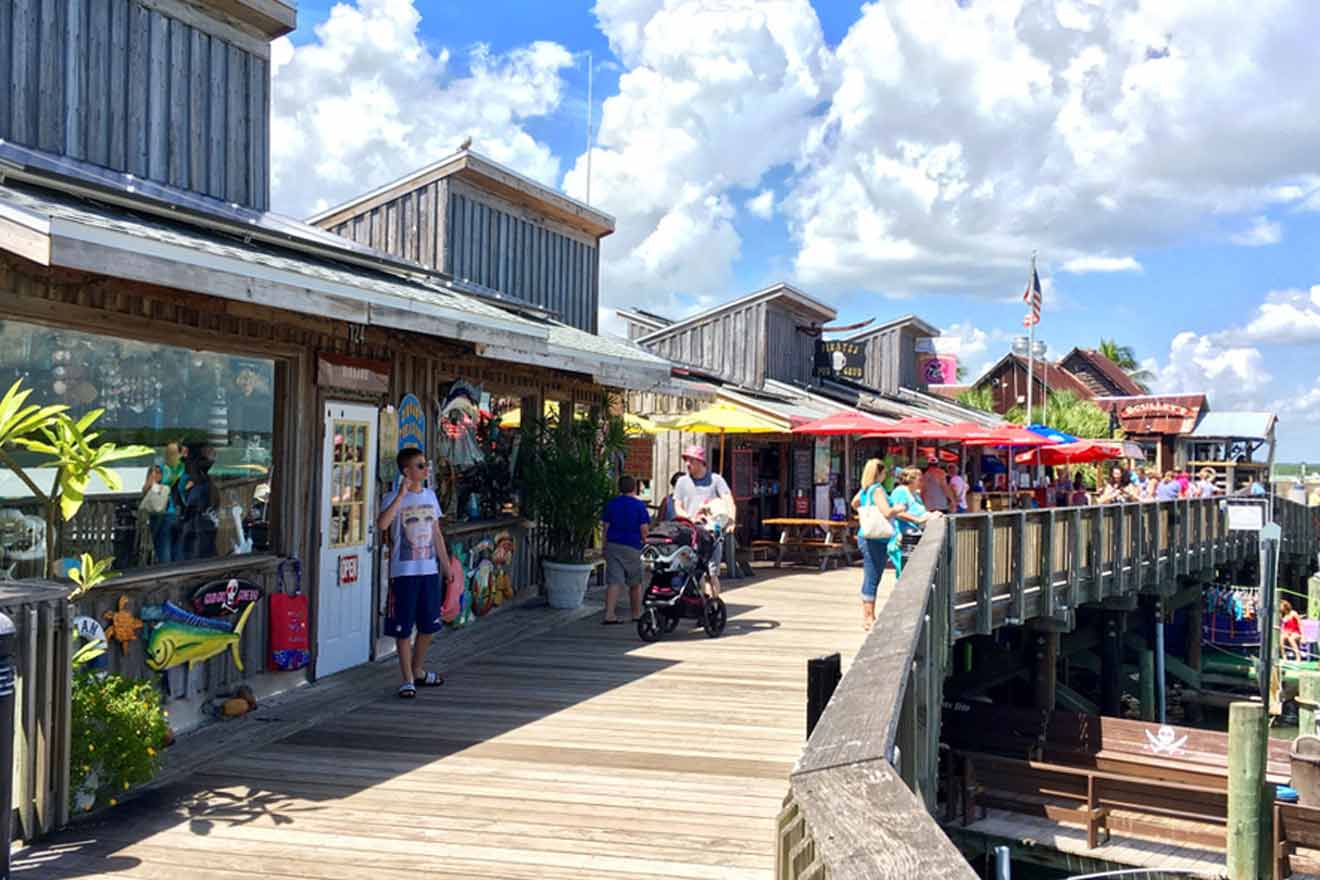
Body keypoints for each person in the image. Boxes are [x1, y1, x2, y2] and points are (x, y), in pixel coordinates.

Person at [377, 447, 451, 699]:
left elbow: (437, 534)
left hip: (428, 569)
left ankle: (418, 669)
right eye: (420, 465)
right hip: (403, 571)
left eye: (425, 464)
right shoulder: (392, 498)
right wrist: (400, 495)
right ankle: (407, 678)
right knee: (403, 628)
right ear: (407, 471)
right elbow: (382, 525)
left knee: (429, 625)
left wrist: (446, 565)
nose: (425, 469)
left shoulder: (430, 496)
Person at [673, 445, 735, 597]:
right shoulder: (682, 481)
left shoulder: (715, 480)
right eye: (686, 460)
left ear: (701, 462)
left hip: (711, 533)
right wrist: (689, 518)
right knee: (689, 572)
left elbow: (729, 501)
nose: (688, 463)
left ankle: (711, 606)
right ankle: (697, 603)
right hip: (690, 532)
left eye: (691, 460)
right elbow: (677, 506)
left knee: (710, 573)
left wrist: (731, 520)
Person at [851, 459, 903, 632]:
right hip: (875, 538)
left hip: (866, 536)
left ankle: (869, 615)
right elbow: (886, 512)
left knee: (871, 575)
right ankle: (868, 617)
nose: (886, 475)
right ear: (879, 473)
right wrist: (898, 508)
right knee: (872, 577)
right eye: (884, 472)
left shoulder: (866, 488)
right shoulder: (878, 489)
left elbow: (854, 503)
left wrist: (866, 509)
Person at [602, 475, 651, 625]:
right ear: (634, 488)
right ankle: (636, 613)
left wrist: (604, 545)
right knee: (635, 582)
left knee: (614, 581)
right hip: (632, 546)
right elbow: (644, 529)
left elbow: (605, 527)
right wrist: (646, 540)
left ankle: (609, 614)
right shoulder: (639, 506)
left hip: (613, 545)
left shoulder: (611, 504)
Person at [888, 467, 942, 575]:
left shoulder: (915, 494)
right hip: (902, 538)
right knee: (904, 571)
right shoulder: (901, 491)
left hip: (914, 536)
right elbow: (898, 513)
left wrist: (931, 515)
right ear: (911, 479)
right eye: (920, 479)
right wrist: (918, 520)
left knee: (913, 571)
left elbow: (920, 511)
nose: (922, 482)